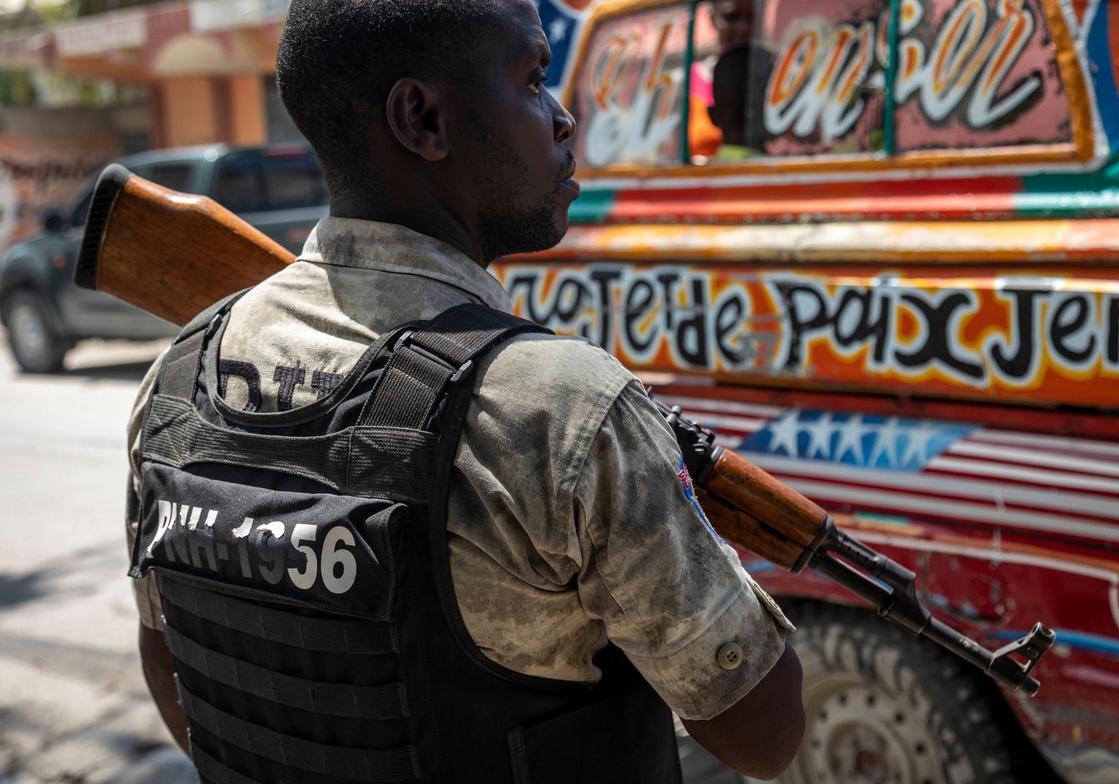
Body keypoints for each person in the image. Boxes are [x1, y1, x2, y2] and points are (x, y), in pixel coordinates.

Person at [124, 1, 804, 782]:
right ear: (422, 119)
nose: (563, 116)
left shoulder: (180, 375)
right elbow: (765, 732)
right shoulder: (563, 410)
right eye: (532, 78)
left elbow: (177, 678)